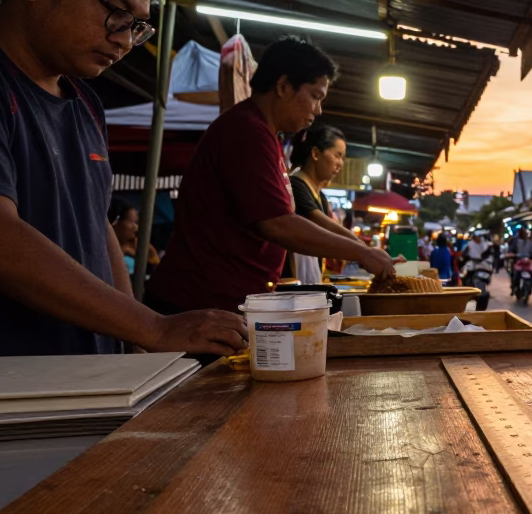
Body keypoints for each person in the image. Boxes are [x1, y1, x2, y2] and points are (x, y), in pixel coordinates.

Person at [0, 0, 245, 357]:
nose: (125, 40)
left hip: (89, 383)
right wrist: (152, 326)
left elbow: (98, 222)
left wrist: (132, 338)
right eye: (114, 11)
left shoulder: (84, 101)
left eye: (138, 27)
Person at [147, 37, 397, 313]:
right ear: (283, 86)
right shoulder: (246, 132)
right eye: (315, 96)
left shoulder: (267, 136)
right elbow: (277, 223)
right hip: (198, 304)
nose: (318, 110)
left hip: (225, 301)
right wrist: (361, 252)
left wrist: (363, 250)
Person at [289, 125, 366, 283]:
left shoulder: (320, 196)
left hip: (309, 277)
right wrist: (365, 251)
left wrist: (365, 251)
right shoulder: (295, 185)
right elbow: (326, 225)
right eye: (337, 156)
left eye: (343, 158)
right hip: (292, 278)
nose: (340, 164)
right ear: (316, 153)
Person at [108, 198, 160, 277]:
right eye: (131, 222)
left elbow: (155, 268)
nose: (136, 227)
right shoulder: (103, 248)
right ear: (116, 223)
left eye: (136, 223)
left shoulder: (140, 246)